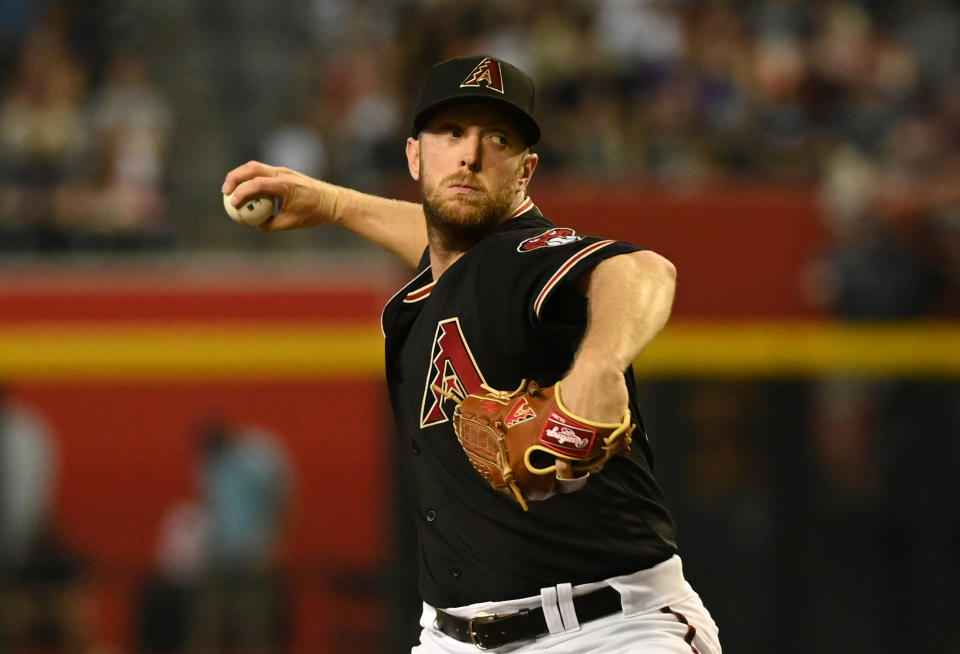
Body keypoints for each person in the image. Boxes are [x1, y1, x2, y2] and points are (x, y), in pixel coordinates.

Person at [223, 54, 721, 653]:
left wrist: (599, 363)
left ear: (526, 170)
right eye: (452, 132)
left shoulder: (529, 254)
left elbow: (640, 267)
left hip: (609, 630)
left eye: (498, 139)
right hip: (451, 638)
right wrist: (333, 204)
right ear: (413, 155)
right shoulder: (441, 282)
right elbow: (443, 241)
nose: (471, 154)